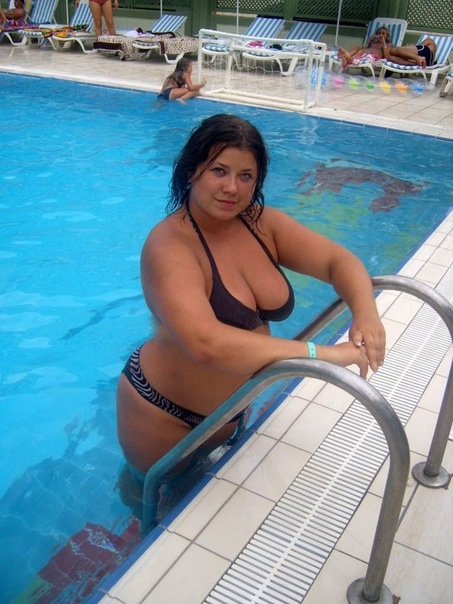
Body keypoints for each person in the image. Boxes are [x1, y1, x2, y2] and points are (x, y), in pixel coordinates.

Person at [116, 114, 386, 481]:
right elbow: (206, 344)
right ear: (192, 171)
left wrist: (365, 313)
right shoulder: (170, 246)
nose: (232, 187)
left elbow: (338, 261)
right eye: (219, 171)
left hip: (235, 405)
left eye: (246, 176)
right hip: (165, 414)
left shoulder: (261, 224)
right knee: (150, 501)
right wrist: (321, 354)